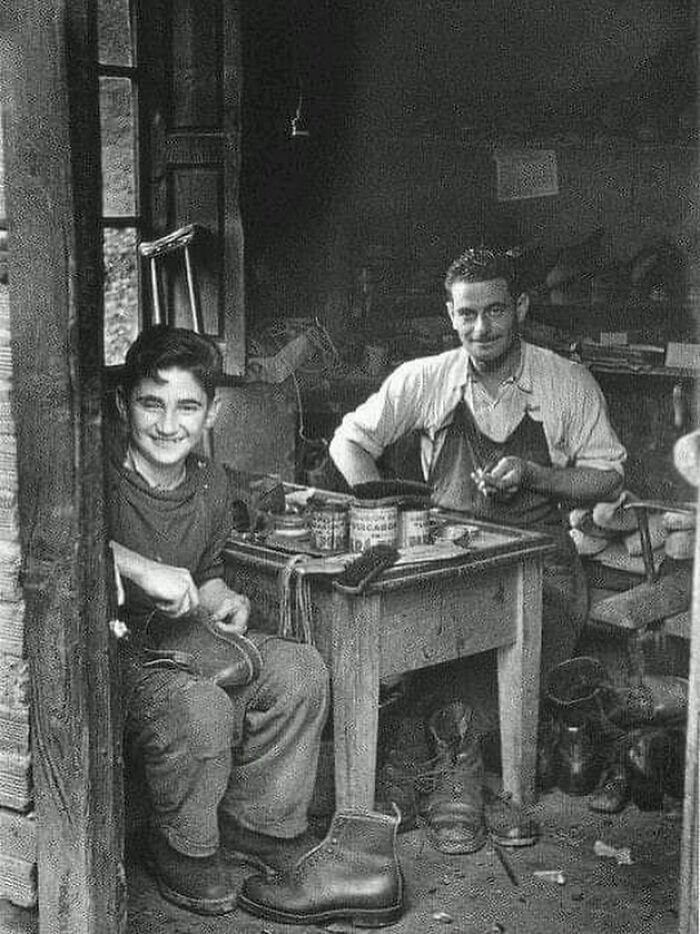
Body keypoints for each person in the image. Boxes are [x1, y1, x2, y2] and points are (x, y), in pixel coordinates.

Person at [329, 246, 627, 852]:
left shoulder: (564, 381)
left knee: (512, 645)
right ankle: (448, 759)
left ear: (520, 306)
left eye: (494, 311)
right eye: (467, 315)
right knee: (415, 637)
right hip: (448, 557)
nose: (480, 329)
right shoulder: (426, 378)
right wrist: (380, 505)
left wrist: (538, 476)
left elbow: (609, 477)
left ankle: (441, 762)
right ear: (450, 312)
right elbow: (349, 440)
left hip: (539, 562)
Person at [107, 325, 329, 916]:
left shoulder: (208, 482)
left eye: (188, 406)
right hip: (117, 651)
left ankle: (260, 822)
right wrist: (141, 569)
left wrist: (223, 597)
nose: (167, 424)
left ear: (211, 412)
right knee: (198, 706)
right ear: (123, 403)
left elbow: (205, 574)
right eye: (151, 403)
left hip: (186, 637)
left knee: (299, 671)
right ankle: (181, 842)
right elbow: (60, 542)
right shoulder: (96, 472)